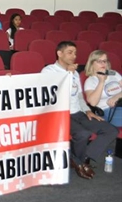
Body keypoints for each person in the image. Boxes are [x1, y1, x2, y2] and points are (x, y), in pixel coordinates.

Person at [42, 41, 117, 179]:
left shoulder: (75, 72)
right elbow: (52, 96)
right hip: (60, 114)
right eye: (70, 52)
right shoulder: (48, 71)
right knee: (83, 134)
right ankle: (80, 163)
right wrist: (68, 75)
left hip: (78, 112)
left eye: (75, 53)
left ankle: (80, 160)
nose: (74, 56)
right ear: (59, 53)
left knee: (110, 130)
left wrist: (88, 110)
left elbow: (79, 97)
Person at [84, 50, 122, 126]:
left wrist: (116, 97)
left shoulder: (113, 73)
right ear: (92, 63)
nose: (103, 63)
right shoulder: (90, 81)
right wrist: (101, 81)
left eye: (105, 61)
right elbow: (93, 103)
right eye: (99, 61)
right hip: (108, 111)